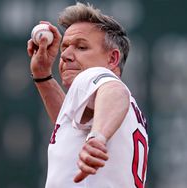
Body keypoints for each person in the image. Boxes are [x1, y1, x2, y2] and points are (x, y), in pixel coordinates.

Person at [27, 2, 149, 188]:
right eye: (64, 47)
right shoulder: (109, 111)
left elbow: (114, 91)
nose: (66, 55)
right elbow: (69, 121)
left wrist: (98, 138)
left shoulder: (95, 77)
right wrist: (43, 76)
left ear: (112, 59)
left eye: (81, 47)